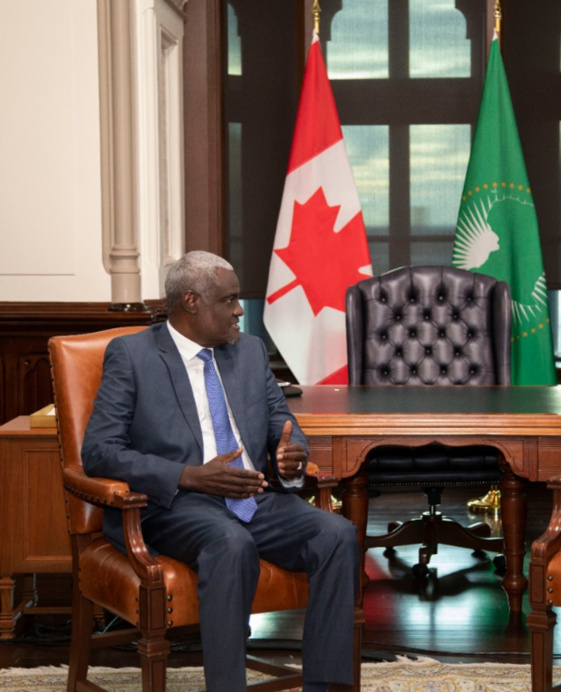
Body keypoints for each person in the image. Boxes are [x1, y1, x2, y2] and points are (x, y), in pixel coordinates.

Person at [82, 251, 359, 692]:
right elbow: (99, 452)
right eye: (229, 300)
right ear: (191, 301)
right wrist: (189, 475)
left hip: (252, 496)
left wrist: (292, 456)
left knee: (336, 535)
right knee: (230, 543)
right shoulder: (133, 355)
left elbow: (281, 424)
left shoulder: (247, 350)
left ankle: (326, 687)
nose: (239, 309)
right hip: (175, 503)